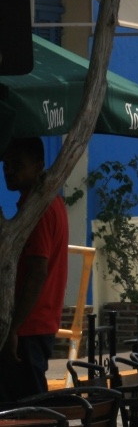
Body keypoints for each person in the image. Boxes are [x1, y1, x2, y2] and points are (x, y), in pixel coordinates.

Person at [0, 137, 69, 401]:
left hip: (28, 326)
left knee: (29, 408)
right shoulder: (47, 202)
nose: (9, 170)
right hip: (34, 324)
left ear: (39, 166)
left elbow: (37, 271)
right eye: (6, 164)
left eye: (17, 165)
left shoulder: (38, 209)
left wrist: (14, 329)